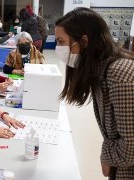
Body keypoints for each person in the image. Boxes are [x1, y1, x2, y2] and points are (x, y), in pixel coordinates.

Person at [55, 7, 134, 179]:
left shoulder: (119, 74)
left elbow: (131, 147)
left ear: (83, 41)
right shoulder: (100, 73)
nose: (58, 49)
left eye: (61, 42)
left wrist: (106, 156)